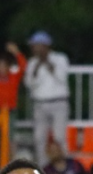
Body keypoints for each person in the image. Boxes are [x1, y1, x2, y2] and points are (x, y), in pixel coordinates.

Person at [24, 31, 71, 166]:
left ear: (45, 46)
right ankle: (43, 167)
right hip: (40, 103)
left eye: (36, 45)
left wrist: (48, 64)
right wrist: (37, 67)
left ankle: (63, 166)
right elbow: (29, 83)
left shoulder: (60, 58)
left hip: (58, 102)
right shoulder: (32, 63)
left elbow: (62, 77)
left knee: (59, 137)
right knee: (39, 138)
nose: (34, 49)